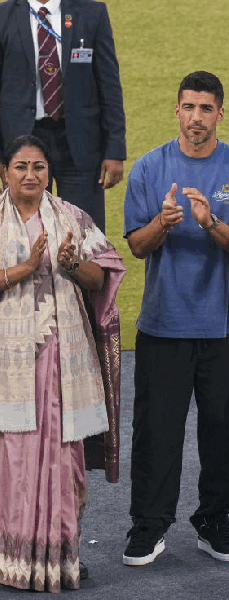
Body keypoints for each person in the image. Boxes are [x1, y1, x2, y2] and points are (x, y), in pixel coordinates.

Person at [121, 71, 229, 567]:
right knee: (156, 431)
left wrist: (210, 224)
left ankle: (213, 521)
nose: (196, 117)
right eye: (188, 107)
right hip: (163, 325)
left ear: (220, 113)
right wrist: (161, 224)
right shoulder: (147, 168)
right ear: (176, 110)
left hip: (224, 327)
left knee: (223, 431)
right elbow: (136, 247)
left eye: (206, 108)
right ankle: (148, 525)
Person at [0, 134, 124, 592]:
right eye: (20, 166)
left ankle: (61, 555)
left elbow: (103, 276)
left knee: (64, 457)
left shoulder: (71, 217)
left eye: (38, 166)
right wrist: (22, 270)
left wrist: (71, 263)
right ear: (4, 172)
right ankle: (13, 558)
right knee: (13, 456)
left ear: (49, 172)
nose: (30, 174)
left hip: (63, 363)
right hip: (9, 367)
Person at [0, 0, 126, 232]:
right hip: (22, 144)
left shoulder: (92, 13)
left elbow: (109, 84)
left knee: (85, 234)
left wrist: (115, 149)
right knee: (27, 234)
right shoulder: (3, 15)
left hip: (81, 143)